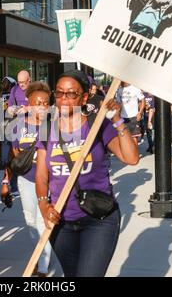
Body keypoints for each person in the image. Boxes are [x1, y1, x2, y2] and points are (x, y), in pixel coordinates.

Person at [35, 70, 139, 277]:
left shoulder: (97, 125)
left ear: (84, 98)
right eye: (59, 93)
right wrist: (43, 204)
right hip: (61, 222)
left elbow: (131, 158)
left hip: (98, 219)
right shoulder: (47, 128)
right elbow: (41, 175)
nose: (64, 99)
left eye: (71, 94)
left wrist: (117, 120)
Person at [2, 81, 53, 277]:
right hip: (25, 179)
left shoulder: (54, 126)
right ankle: (41, 255)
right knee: (30, 222)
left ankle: (42, 266)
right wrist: (6, 182)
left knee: (42, 223)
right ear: (29, 104)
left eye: (46, 103)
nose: (42, 106)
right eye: (38, 103)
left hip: (48, 182)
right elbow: (14, 157)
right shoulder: (18, 126)